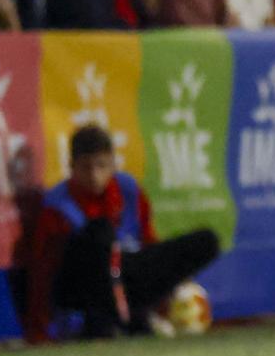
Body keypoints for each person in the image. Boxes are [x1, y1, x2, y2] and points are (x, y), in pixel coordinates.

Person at [21, 125, 220, 343]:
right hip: (86, 287)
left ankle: (145, 312)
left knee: (206, 240)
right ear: (72, 167)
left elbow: (148, 242)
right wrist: (40, 330)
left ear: (113, 164)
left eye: (101, 166)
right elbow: (44, 272)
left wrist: (170, 284)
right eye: (86, 167)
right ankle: (113, 322)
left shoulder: (129, 190)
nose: (94, 175)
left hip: (127, 274)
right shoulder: (57, 206)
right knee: (101, 232)